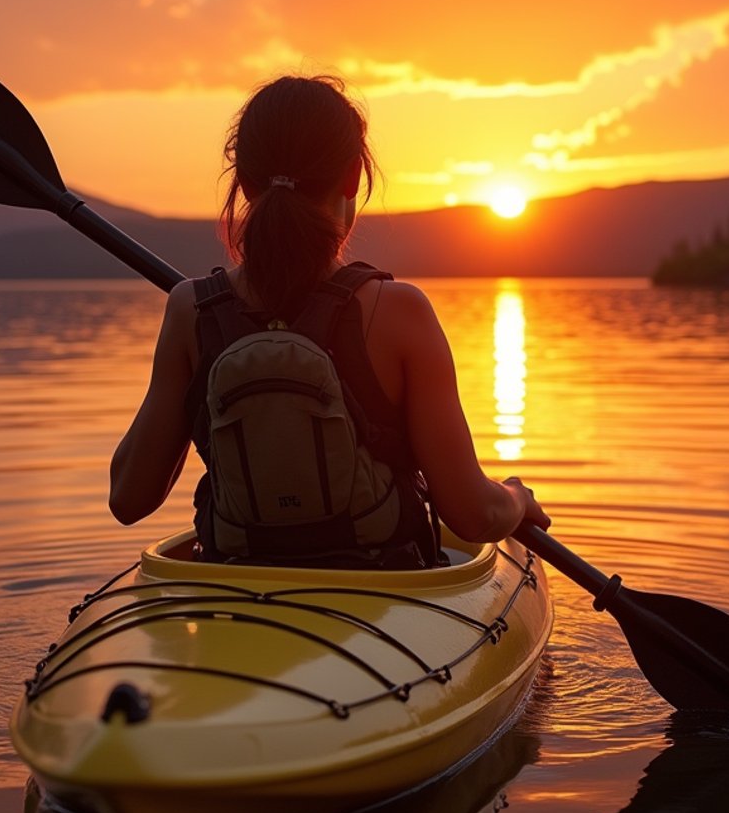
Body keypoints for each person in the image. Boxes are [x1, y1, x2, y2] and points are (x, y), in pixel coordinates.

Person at [109, 73, 550, 561]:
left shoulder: (190, 308)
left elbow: (129, 497)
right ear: (352, 178)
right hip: (386, 602)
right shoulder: (399, 311)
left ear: (246, 181)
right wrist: (515, 497)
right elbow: (473, 515)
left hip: (235, 596)